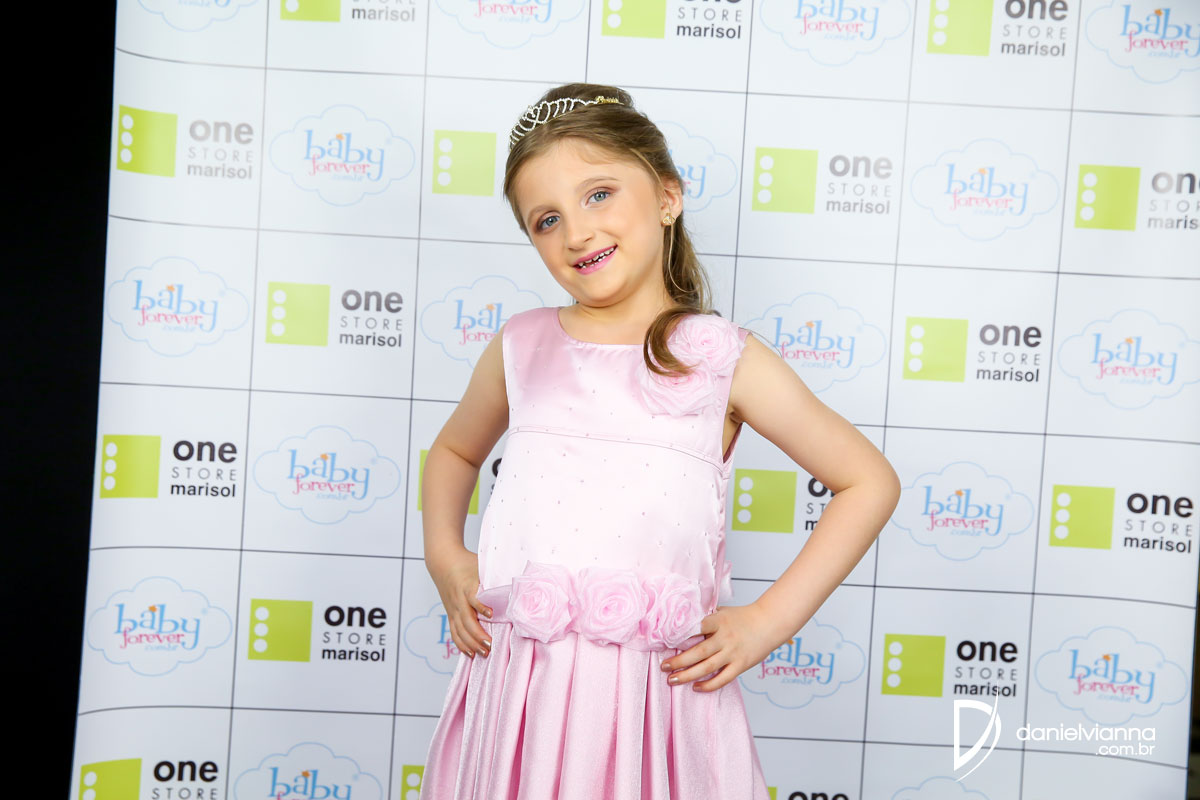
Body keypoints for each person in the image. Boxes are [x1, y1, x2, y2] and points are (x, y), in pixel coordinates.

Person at [420, 82, 901, 799]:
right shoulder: (521, 346)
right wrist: (446, 557)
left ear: (668, 196)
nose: (577, 233)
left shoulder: (723, 358)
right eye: (547, 219)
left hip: (655, 704)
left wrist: (766, 623)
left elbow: (868, 481)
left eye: (599, 195)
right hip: (523, 696)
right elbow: (454, 452)